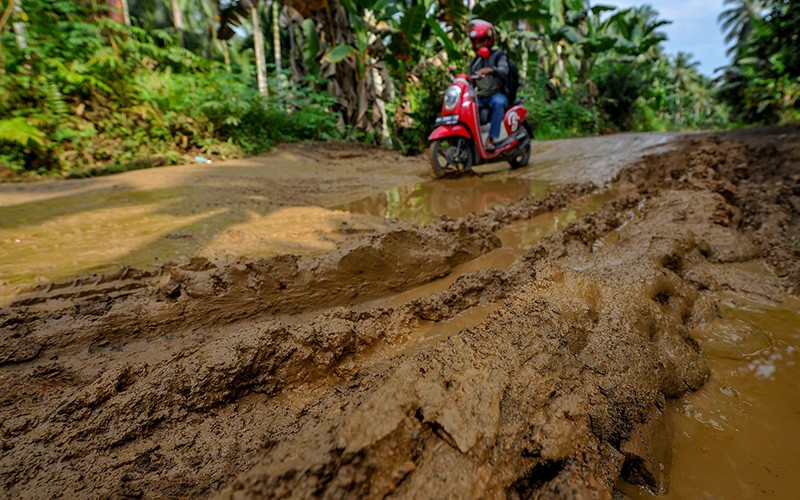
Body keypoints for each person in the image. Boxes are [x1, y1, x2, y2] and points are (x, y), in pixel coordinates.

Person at [468, 19, 509, 152]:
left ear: (489, 40)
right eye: (477, 42)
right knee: (467, 107)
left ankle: (491, 138)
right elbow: (471, 80)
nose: (479, 45)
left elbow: (504, 70)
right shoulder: (475, 61)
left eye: (482, 41)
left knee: (498, 102)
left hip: (496, 94)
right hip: (481, 96)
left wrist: (491, 70)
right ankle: (472, 141)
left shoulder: (498, 55)